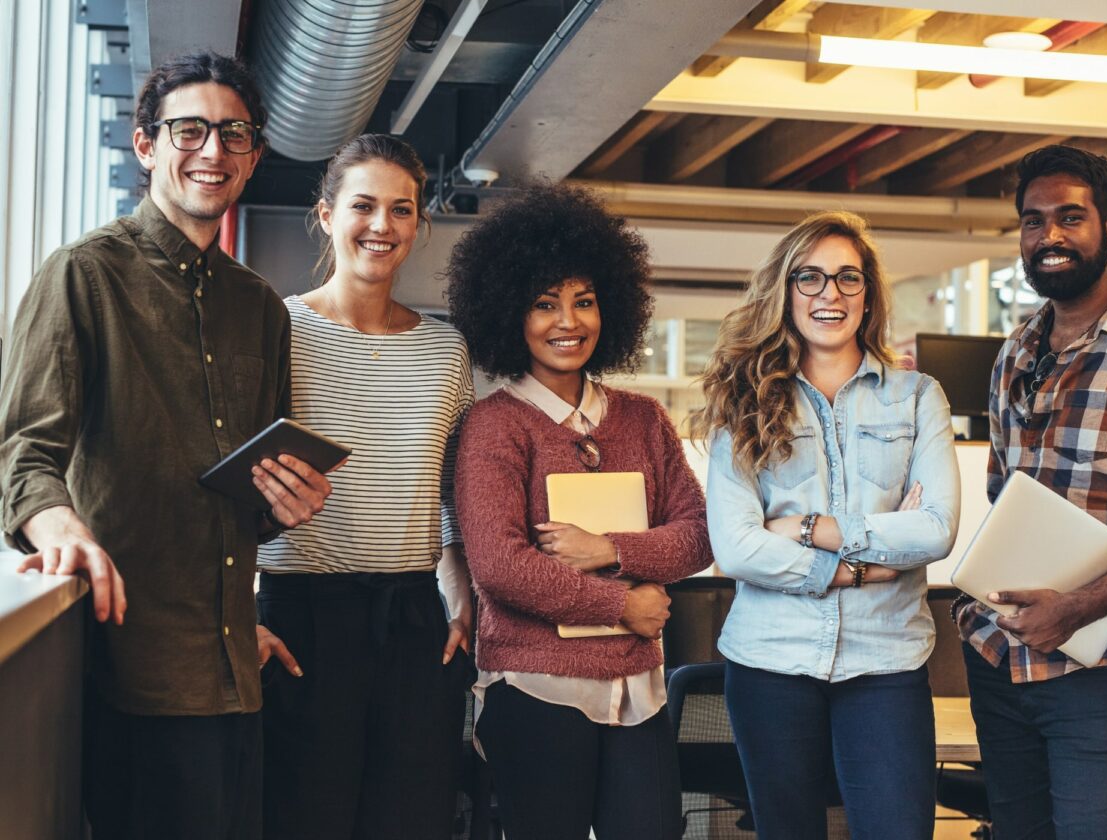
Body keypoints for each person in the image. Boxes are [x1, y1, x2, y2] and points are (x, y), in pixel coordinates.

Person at [0, 52, 333, 839]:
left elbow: (247, 498)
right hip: (128, 673)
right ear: (147, 145)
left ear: (253, 157)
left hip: (234, 673)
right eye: (190, 130)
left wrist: (288, 504)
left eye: (233, 134)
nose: (212, 150)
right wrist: (61, 528)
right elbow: (24, 451)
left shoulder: (260, 309)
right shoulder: (82, 274)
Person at [447, 183, 712, 840]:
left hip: (639, 692)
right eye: (545, 305)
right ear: (511, 313)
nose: (569, 321)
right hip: (536, 689)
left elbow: (698, 534)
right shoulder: (494, 426)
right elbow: (499, 566)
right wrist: (620, 605)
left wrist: (613, 550)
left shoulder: (645, 419)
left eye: (584, 302)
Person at [954, 144, 1107, 839]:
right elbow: (1007, 498)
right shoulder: (1015, 354)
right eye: (1033, 222)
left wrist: (1077, 607)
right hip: (1005, 662)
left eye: (1069, 218)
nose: (1049, 237)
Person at [691, 210, 960, 840]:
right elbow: (737, 546)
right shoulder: (744, 401)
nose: (829, 295)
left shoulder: (918, 396)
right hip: (770, 662)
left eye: (847, 278)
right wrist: (858, 567)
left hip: (886, 660)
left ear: (868, 295)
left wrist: (808, 528)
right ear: (785, 292)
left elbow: (936, 529)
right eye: (808, 278)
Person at [254, 134, 475, 840]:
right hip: (302, 617)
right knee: (303, 820)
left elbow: (452, 493)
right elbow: (231, 484)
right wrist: (235, 611)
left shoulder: (446, 348)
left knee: (412, 821)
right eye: (363, 205)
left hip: (414, 620)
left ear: (419, 225)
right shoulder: (277, 329)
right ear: (325, 215)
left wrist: (463, 596)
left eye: (401, 209)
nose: (381, 226)